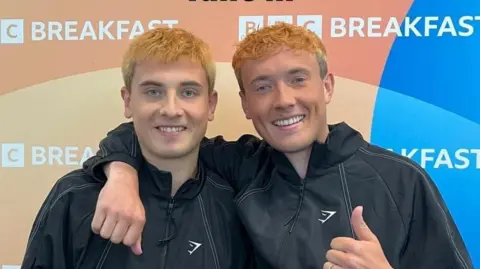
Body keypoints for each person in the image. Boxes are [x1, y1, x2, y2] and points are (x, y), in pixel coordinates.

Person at [82, 23, 474, 269]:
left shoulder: (401, 180)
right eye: (263, 86)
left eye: (298, 79)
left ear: (328, 86)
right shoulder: (237, 166)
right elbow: (160, 131)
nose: (284, 100)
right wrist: (120, 173)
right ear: (246, 104)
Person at [20, 27, 253, 269]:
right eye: (153, 92)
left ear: (211, 104)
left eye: (188, 92)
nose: (171, 110)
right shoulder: (74, 198)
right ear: (128, 101)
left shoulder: (235, 205)